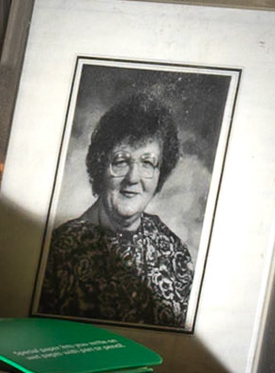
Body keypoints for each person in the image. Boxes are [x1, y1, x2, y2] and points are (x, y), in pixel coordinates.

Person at [36, 91, 194, 329]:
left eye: (147, 163)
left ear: (160, 173)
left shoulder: (173, 250)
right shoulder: (57, 252)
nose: (133, 178)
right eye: (121, 161)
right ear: (100, 165)